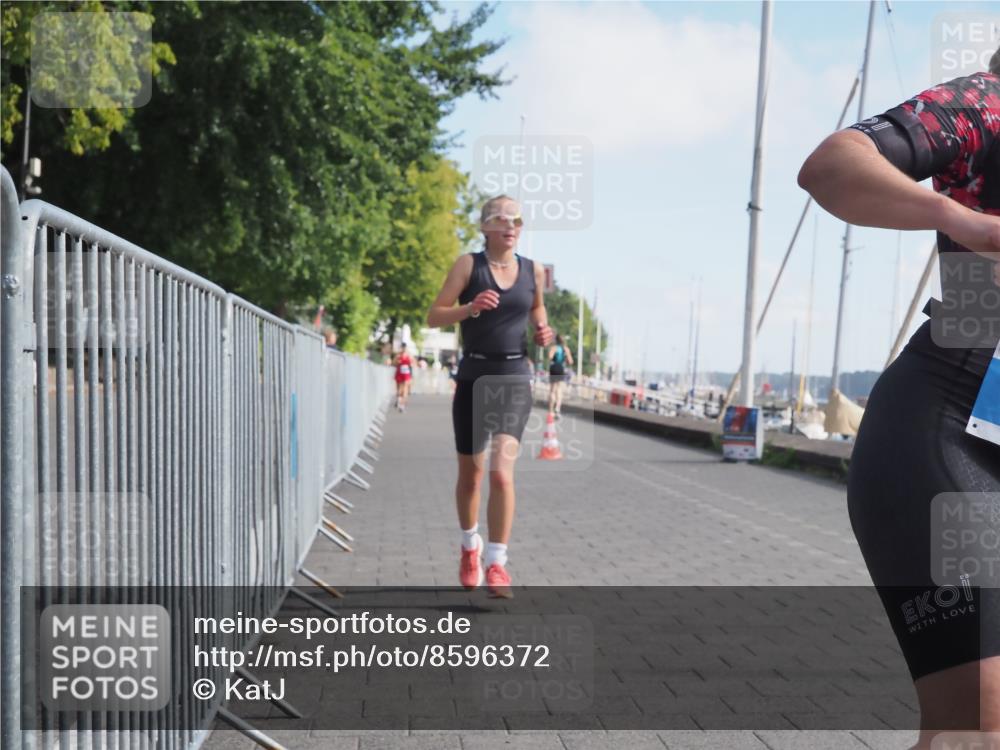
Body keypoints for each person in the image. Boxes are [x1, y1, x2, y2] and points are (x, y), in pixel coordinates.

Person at [798, 52, 1000, 747]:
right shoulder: (988, 102)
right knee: (977, 728)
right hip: (948, 429)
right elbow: (831, 166)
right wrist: (964, 222)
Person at [427, 195, 553, 598]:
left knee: (501, 472)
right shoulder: (469, 265)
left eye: (516, 219)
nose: (510, 225)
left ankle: (497, 563)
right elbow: (434, 315)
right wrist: (470, 309)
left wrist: (543, 331)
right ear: (484, 227)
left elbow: (537, 309)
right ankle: (470, 548)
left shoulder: (533, 270)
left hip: (515, 375)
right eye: (501, 219)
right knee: (472, 475)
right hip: (473, 375)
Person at [546, 334, 574, 418]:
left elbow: (550, 357)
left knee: (552, 390)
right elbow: (571, 362)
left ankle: (551, 410)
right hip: (561, 368)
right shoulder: (566, 349)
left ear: (556, 340)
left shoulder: (554, 348)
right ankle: (557, 408)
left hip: (554, 367)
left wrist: (554, 356)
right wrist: (564, 357)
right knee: (559, 389)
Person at [392, 342, 414, 412]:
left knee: (405, 389)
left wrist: (410, 363)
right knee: (399, 389)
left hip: (406, 374)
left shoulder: (409, 355)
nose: (403, 348)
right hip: (399, 373)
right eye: (402, 347)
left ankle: (401, 405)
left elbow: (413, 363)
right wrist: (397, 362)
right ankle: (399, 400)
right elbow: (393, 363)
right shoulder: (398, 355)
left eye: (404, 347)